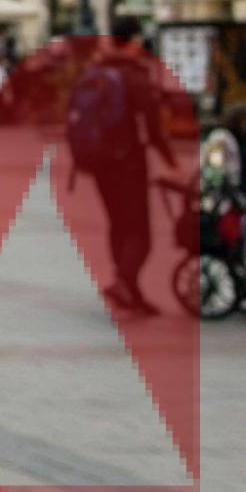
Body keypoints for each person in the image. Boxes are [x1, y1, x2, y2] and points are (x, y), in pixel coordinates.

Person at [65, 17, 177, 315]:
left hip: (99, 163)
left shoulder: (97, 70)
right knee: (139, 229)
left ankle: (127, 286)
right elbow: (153, 125)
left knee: (118, 223)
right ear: (135, 40)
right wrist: (170, 159)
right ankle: (125, 283)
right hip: (127, 161)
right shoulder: (133, 74)